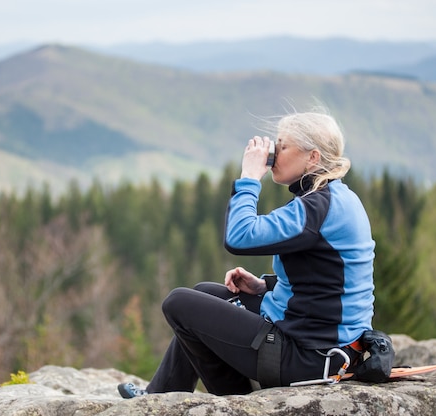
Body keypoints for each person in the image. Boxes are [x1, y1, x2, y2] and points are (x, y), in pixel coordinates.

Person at [117, 108, 375, 398]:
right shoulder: (339, 199)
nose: (273, 153)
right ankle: (162, 395)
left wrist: (250, 178)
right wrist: (266, 286)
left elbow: (240, 237)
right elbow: (332, 277)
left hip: (309, 357)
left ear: (313, 157)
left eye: (283, 146)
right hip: (324, 346)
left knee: (179, 303)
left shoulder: (316, 208)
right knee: (207, 293)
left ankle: (236, 401)